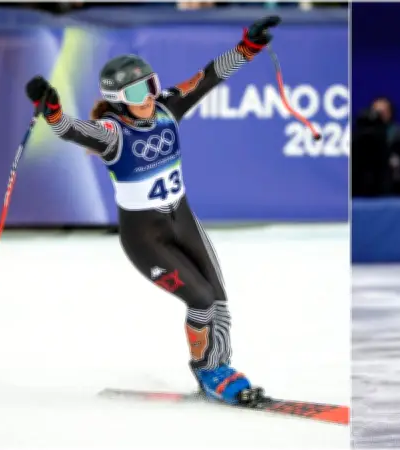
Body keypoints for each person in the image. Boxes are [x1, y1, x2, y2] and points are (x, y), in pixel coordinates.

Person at [24, 16, 281, 406]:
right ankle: (206, 369)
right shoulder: (112, 133)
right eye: (135, 92)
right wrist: (52, 110)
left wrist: (248, 48)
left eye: (150, 86)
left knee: (219, 300)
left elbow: (209, 77)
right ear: (116, 99)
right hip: (146, 237)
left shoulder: (166, 109)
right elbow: (71, 129)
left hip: (182, 219)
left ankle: (220, 366)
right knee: (200, 299)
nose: (145, 97)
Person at [369, 97, 400, 196]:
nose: (379, 115)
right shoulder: (364, 135)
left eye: (382, 112)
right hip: (372, 184)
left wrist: (397, 163)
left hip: (397, 182)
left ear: (390, 112)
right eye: (376, 112)